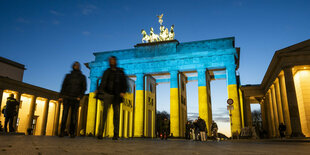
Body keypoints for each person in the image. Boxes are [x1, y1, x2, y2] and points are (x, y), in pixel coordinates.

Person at [96, 56, 128, 140]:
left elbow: (125, 82)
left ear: (115, 61)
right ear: (109, 62)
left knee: (116, 116)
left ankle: (116, 134)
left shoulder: (120, 71)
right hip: (107, 94)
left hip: (117, 95)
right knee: (104, 114)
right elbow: (103, 82)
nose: (112, 61)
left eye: (113, 60)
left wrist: (123, 91)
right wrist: (99, 90)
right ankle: (100, 133)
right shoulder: (106, 71)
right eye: (110, 60)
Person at [59, 62, 87, 138]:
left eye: (78, 65)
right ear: (73, 66)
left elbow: (84, 88)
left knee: (74, 117)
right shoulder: (68, 76)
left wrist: (80, 96)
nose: (76, 66)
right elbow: (63, 86)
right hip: (67, 97)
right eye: (75, 65)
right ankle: (62, 131)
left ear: (79, 67)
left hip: (76, 98)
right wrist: (61, 96)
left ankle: (72, 132)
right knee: (64, 115)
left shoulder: (82, 77)